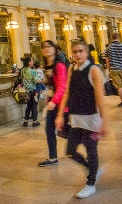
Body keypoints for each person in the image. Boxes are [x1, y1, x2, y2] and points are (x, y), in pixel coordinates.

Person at [56, 40, 108, 199]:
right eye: (75, 52)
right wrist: (60, 115)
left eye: (81, 51)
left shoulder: (93, 70)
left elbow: (99, 97)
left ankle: (90, 184)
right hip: (76, 119)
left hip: (91, 119)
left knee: (91, 152)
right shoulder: (72, 69)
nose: (78, 54)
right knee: (70, 150)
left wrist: (104, 121)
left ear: (86, 53)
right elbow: (66, 93)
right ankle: (93, 170)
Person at [38, 39, 67, 167]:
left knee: (68, 131)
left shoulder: (59, 65)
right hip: (52, 104)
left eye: (49, 46)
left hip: (62, 104)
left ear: (54, 49)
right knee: (49, 130)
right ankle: (52, 158)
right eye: (44, 47)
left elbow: (62, 86)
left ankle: (90, 147)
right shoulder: (47, 67)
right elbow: (53, 87)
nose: (46, 49)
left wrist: (54, 101)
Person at [105, 31, 122, 106]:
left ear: (111, 38)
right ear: (118, 37)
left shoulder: (108, 48)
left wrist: (109, 70)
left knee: (118, 86)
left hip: (114, 69)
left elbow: (107, 61)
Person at [21, 55, 39, 127]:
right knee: (34, 106)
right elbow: (36, 81)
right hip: (33, 91)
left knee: (28, 106)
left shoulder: (22, 70)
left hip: (26, 92)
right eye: (32, 60)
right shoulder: (33, 71)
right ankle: (35, 121)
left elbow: (22, 80)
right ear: (29, 62)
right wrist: (42, 80)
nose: (33, 62)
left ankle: (26, 121)